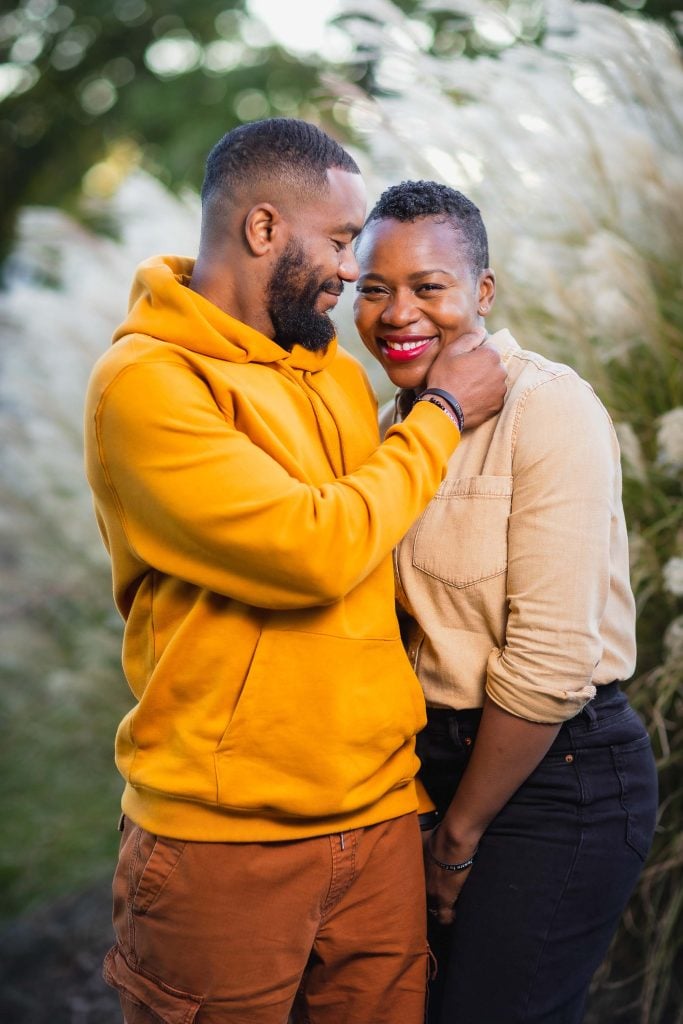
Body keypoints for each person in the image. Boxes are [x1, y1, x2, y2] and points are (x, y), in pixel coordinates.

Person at [83, 121, 506, 1024]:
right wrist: (437, 415)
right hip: (223, 841)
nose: (351, 270)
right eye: (342, 239)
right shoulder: (149, 384)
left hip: (383, 818)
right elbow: (309, 551)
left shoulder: (335, 378)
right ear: (265, 230)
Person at [353, 179, 659, 1024]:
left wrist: (456, 839)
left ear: (482, 292)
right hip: (428, 770)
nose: (397, 313)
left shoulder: (547, 407)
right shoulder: (391, 427)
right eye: (373, 288)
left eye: (428, 287)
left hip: (558, 774)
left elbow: (553, 660)